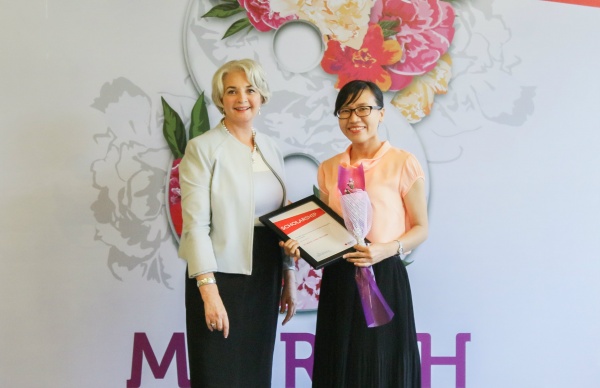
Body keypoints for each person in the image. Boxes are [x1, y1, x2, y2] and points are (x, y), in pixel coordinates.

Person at [282, 80, 428, 387]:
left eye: (363, 108)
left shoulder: (402, 163)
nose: (354, 118)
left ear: (381, 114)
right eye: (345, 111)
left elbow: (421, 228)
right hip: (340, 278)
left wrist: (386, 249)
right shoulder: (330, 168)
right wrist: (301, 241)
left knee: (382, 365)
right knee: (339, 364)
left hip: (384, 275)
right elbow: (324, 227)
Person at [178, 58, 297, 388]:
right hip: (220, 276)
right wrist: (209, 291)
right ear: (220, 99)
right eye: (232, 91)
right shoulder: (202, 148)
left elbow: (281, 218)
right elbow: (195, 227)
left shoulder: (271, 147)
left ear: (262, 96)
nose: (241, 98)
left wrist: (288, 274)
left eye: (250, 89)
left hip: (265, 273)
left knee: (255, 374)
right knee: (219, 374)